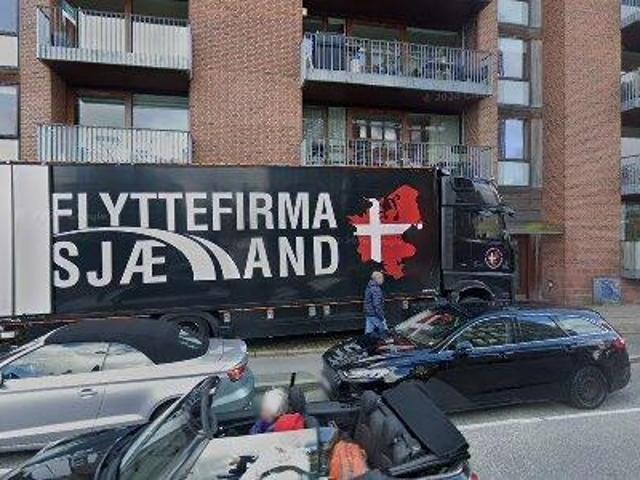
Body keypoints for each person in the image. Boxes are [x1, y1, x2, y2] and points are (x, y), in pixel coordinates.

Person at [363, 271, 388, 336]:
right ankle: (386, 340)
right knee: (383, 329)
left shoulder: (369, 286)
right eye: (382, 278)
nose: (383, 280)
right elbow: (377, 304)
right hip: (374, 314)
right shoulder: (376, 289)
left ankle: (367, 341)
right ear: (377, 279)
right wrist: (381, 316)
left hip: (368, 313)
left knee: (368, 332)